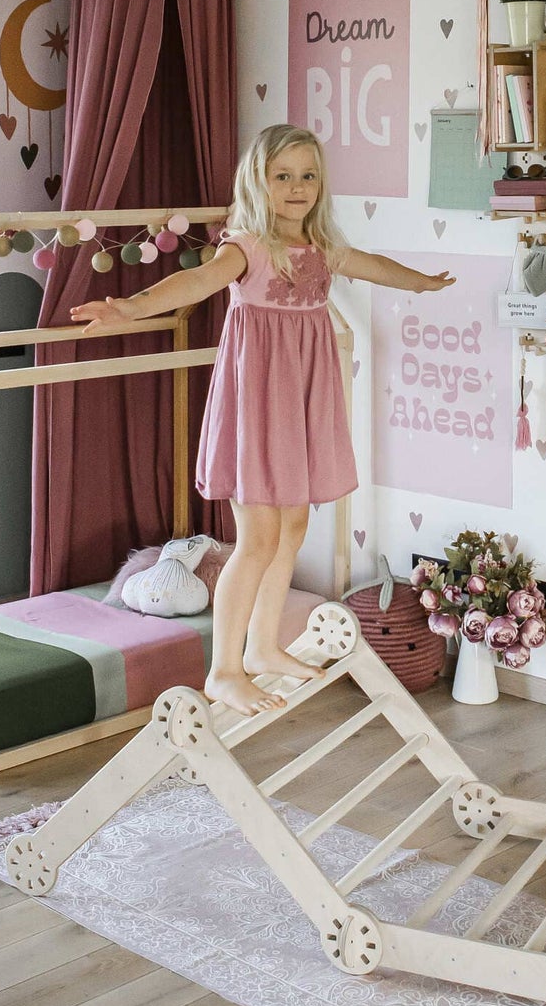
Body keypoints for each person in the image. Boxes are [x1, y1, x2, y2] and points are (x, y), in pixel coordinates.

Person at [71, 124, 453, 716]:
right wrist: (128, 307)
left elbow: (373, 265)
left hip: (301, 400)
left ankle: (263, 648)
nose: (297, 188)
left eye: (308, 175)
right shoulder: (246, 247)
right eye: (283, 176)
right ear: (259, 182)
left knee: (294, 529)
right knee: (258, 539)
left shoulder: (323, 247)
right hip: (258, 407)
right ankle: (224, 668)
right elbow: (193, 282)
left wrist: (422, 282)